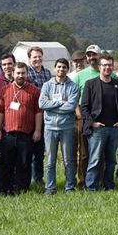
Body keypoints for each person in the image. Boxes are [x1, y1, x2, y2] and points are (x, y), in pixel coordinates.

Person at [0, 62, 43, 195]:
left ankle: (22, 189)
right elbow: (0, 111)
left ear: (27, 74)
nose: (20, 75)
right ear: (13, 73)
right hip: (8, 133)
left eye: (23, 73)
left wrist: (38, 130)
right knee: (7, 163)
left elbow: (38, 112)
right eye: (18, 73)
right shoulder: (5, 90)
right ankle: (6, 188)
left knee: (24, 163)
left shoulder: (34, 91)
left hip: (26, 133)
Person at [81, 54, 118, 192]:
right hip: (97, 129)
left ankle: (109, 186)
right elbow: (84, 107)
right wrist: (92, 123)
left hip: (114, 129)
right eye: (104, 65)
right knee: (94, 160)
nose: (107, 67)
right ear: (99, 67)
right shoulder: (90, 84)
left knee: (111, 160)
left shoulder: (117, 84)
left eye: (109, 65)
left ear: (112, 67)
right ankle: (91, 187)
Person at [39, 57, 80, 194]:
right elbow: (42, 104)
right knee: (50, 160)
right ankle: (50, 188)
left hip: (67, 127)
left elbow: (71, 107)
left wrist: (51, 105)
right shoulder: (47, 85)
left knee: (68, 160)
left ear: (68, 70)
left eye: (64, 67)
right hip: (50, 128)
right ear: (55, 68)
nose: (61, 69)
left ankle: (70, 187)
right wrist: (61, 103)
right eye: (59, 67)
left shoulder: (73, 86)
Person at [73, 44, 103, 188]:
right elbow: (74, 98)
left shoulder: (107, 72)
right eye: (89, 55)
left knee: (100, 153)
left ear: (99, 56)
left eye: (94, 55)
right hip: (83, 119)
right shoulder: (80, 76)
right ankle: (83, 181)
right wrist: (80, 117)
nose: (92, 57)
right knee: (84, 153)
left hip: (103, 120)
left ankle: (100, 180)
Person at [0, 53, 16, 194]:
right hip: (1, 125)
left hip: (16, 125)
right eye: (4, 64)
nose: (7, 67)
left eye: (10, 64)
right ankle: (1, 187)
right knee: (0, 156)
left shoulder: (22, 78)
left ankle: (12, 186)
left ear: (14, 64)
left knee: (13, 157)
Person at [26, 46, 50, 185]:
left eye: (39, 56)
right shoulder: (27, 73)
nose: (37, 59)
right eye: (34, 57)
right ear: (30, 58)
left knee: (40, 150)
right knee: (28, 149)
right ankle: (27, 177)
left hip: (45, 115)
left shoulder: (47, 73)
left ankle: (38, 178)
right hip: (30, 115)